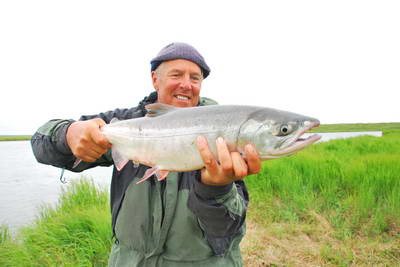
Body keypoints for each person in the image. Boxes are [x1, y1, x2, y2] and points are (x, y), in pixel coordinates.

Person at [31, 42, 261, 266]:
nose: (186, 84)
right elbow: (40, 143)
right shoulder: (124, 123)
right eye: (176, 75)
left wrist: (216, 188)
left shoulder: (223, 134)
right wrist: (68, 135)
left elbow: (228, 230)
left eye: (195, 78)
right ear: (154, 79)